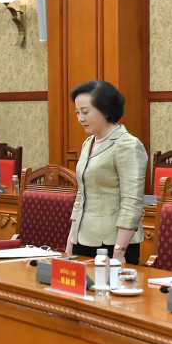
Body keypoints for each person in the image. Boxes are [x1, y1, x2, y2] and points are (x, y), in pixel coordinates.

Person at [65, 80, 148, 264]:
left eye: (85, 112)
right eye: (77, 112)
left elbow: (132, 202)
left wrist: (119, 252)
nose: (80, 118)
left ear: (105, 109)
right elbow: (81, 195)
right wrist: (71, 240)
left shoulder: (127, 145)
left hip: (113, 245)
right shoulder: (89, 143)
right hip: (83, 240)